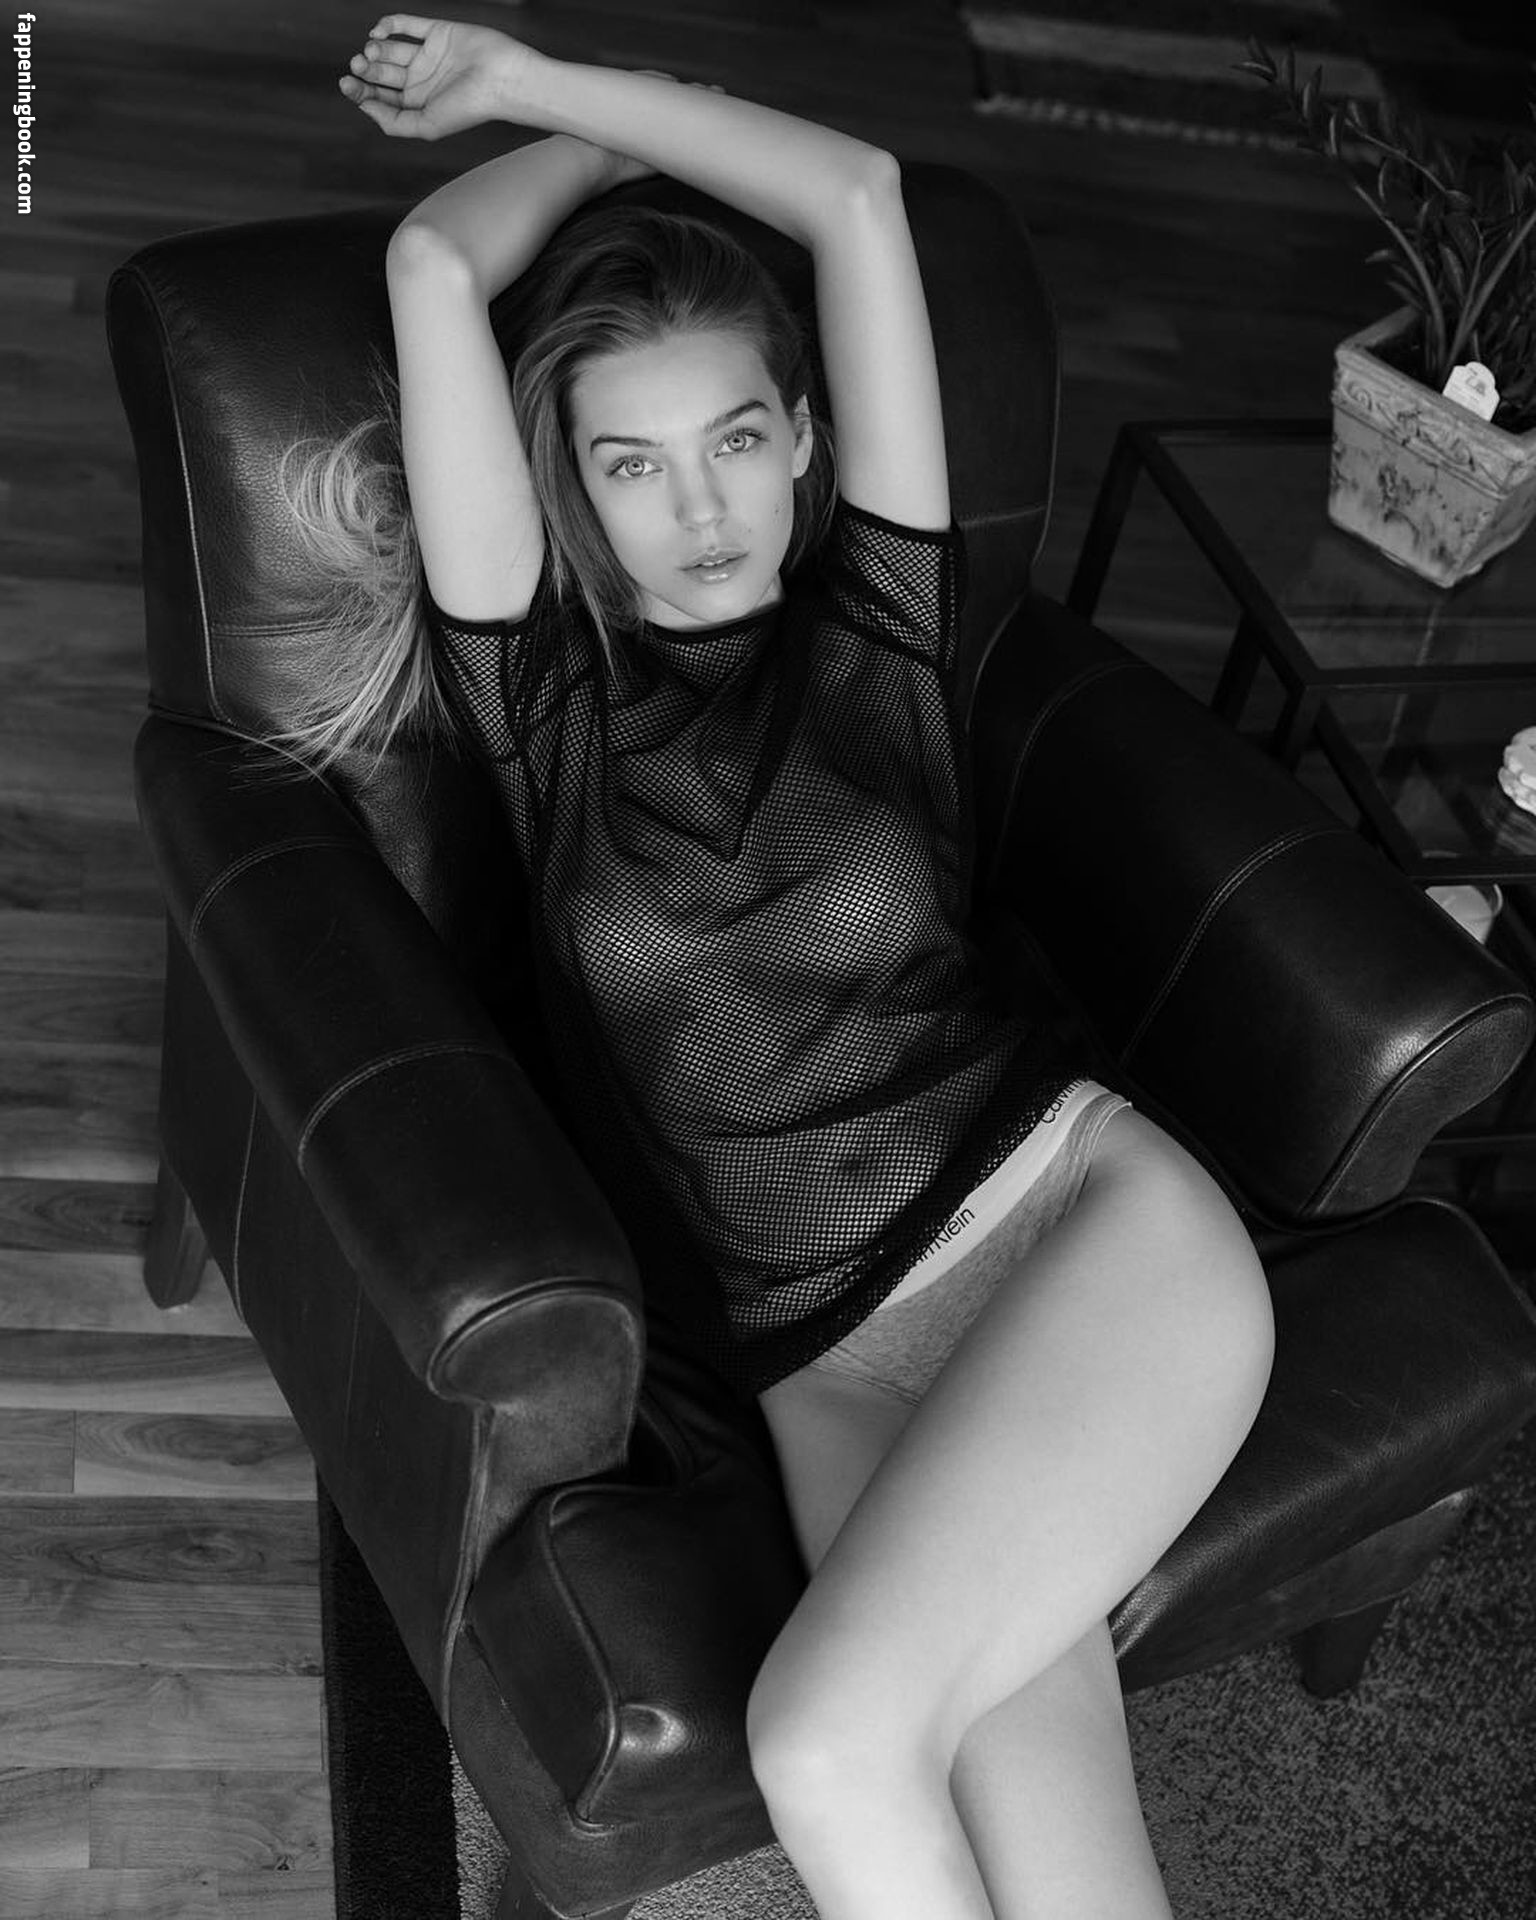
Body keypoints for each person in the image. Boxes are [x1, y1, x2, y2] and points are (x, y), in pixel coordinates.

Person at [295, 17, 1278, 1918]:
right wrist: (598, 143)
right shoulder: (542, 708)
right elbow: (431, 264)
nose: (703, 509)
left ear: (806, 440)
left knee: (829, 1744)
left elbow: (855, 197)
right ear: (574, 489)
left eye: (738, 439)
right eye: (634, 463)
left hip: (1080, 1232)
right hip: (829, 1366)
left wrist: (547, 84)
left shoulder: (885, 621)